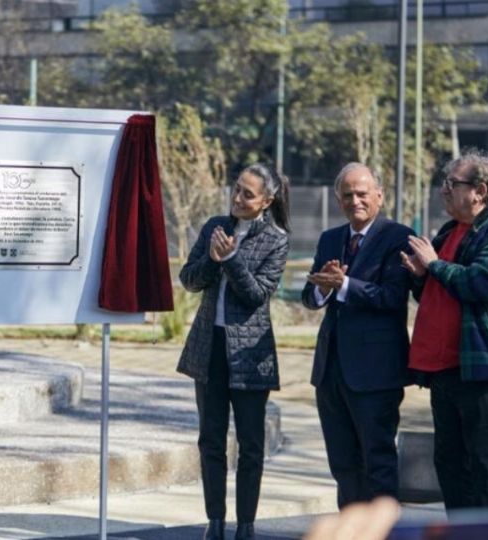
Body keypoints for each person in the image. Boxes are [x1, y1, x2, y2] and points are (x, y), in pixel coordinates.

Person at [401, 151, 488, 513]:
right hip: (442, 368)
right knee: (449, 462)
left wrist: (435, 265)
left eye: (452, 184)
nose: (444, 190)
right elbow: (433, 291)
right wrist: (421, 274)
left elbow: (484, 284)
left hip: (480, 366)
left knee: (482, 464)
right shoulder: (450, 231)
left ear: (480, 190)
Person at [177, 164, 291, 540]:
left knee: (251, 444)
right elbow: (190, 280)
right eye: (237, 190)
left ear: (267, 201)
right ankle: (215, 521)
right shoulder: (215, 227)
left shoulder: (276, 239)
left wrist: (232, 260)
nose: (238, 199)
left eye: (248, 194)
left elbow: (257, 294)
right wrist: (213, 257)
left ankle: (245, 525)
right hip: (208, 347)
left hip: (249, 357)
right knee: (210, 439)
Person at [302, 162, 413, 509]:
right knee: (343, 464)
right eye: (347, 195)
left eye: (362, 193)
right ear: (338, 200)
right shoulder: (330, 239)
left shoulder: (398, 237)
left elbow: (393, 297)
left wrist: (346, 285)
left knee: (377, 463)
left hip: (375, 374)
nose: (355, 201)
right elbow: (310, 295)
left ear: (379, 195)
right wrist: (324, 289)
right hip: (330, 372)